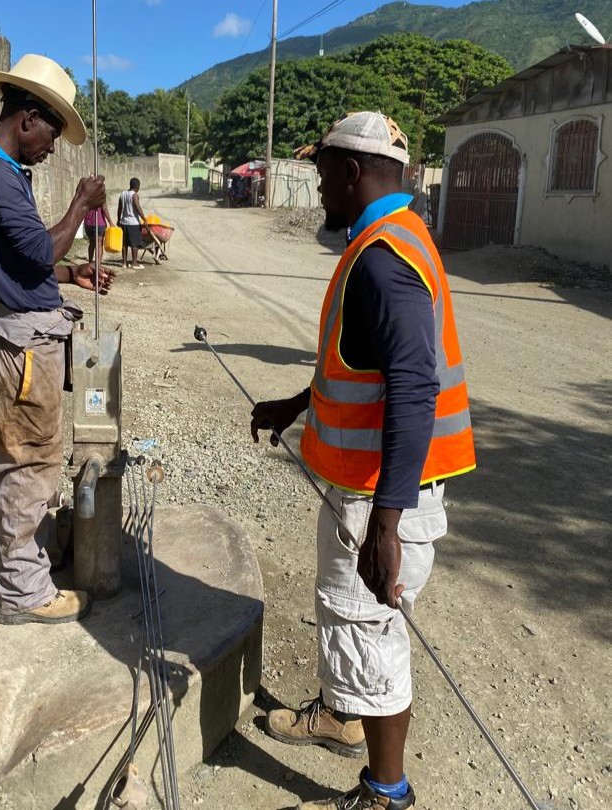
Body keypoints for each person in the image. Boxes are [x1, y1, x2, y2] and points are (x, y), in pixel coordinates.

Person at [250, 112, 476, 809]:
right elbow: (365, 368)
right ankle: (342, 717)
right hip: (369, 490)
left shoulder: (383, 259)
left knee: (369, 632)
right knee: (354, 627)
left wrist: (385, 524)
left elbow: (413, 387)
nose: (318, 190)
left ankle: (387, 790)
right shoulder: (392, 238)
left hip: (376, 498)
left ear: (352, 173)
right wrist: (298, 403)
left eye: (322, 177)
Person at [0, 54, 114, 626]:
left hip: (7, 338)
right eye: (51, 134)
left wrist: (72, 276)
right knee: (33, 465)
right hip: (23, 351)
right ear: (27, 120)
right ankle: (25, 594)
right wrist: (80, 206)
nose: (51, 148)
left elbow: (18, 264)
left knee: (6, 461)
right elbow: (39, 251)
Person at [118, 177, 147, 269]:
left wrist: (119, 220)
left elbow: (119, 208)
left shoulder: (123, 194)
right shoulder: (134, 195)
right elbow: (137, 207)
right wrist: (144, 219)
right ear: (137, 186)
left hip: (123, 222)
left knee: (124, 243)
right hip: (133, 223)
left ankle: (124, 263)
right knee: (134, 244)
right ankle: (134, 263)